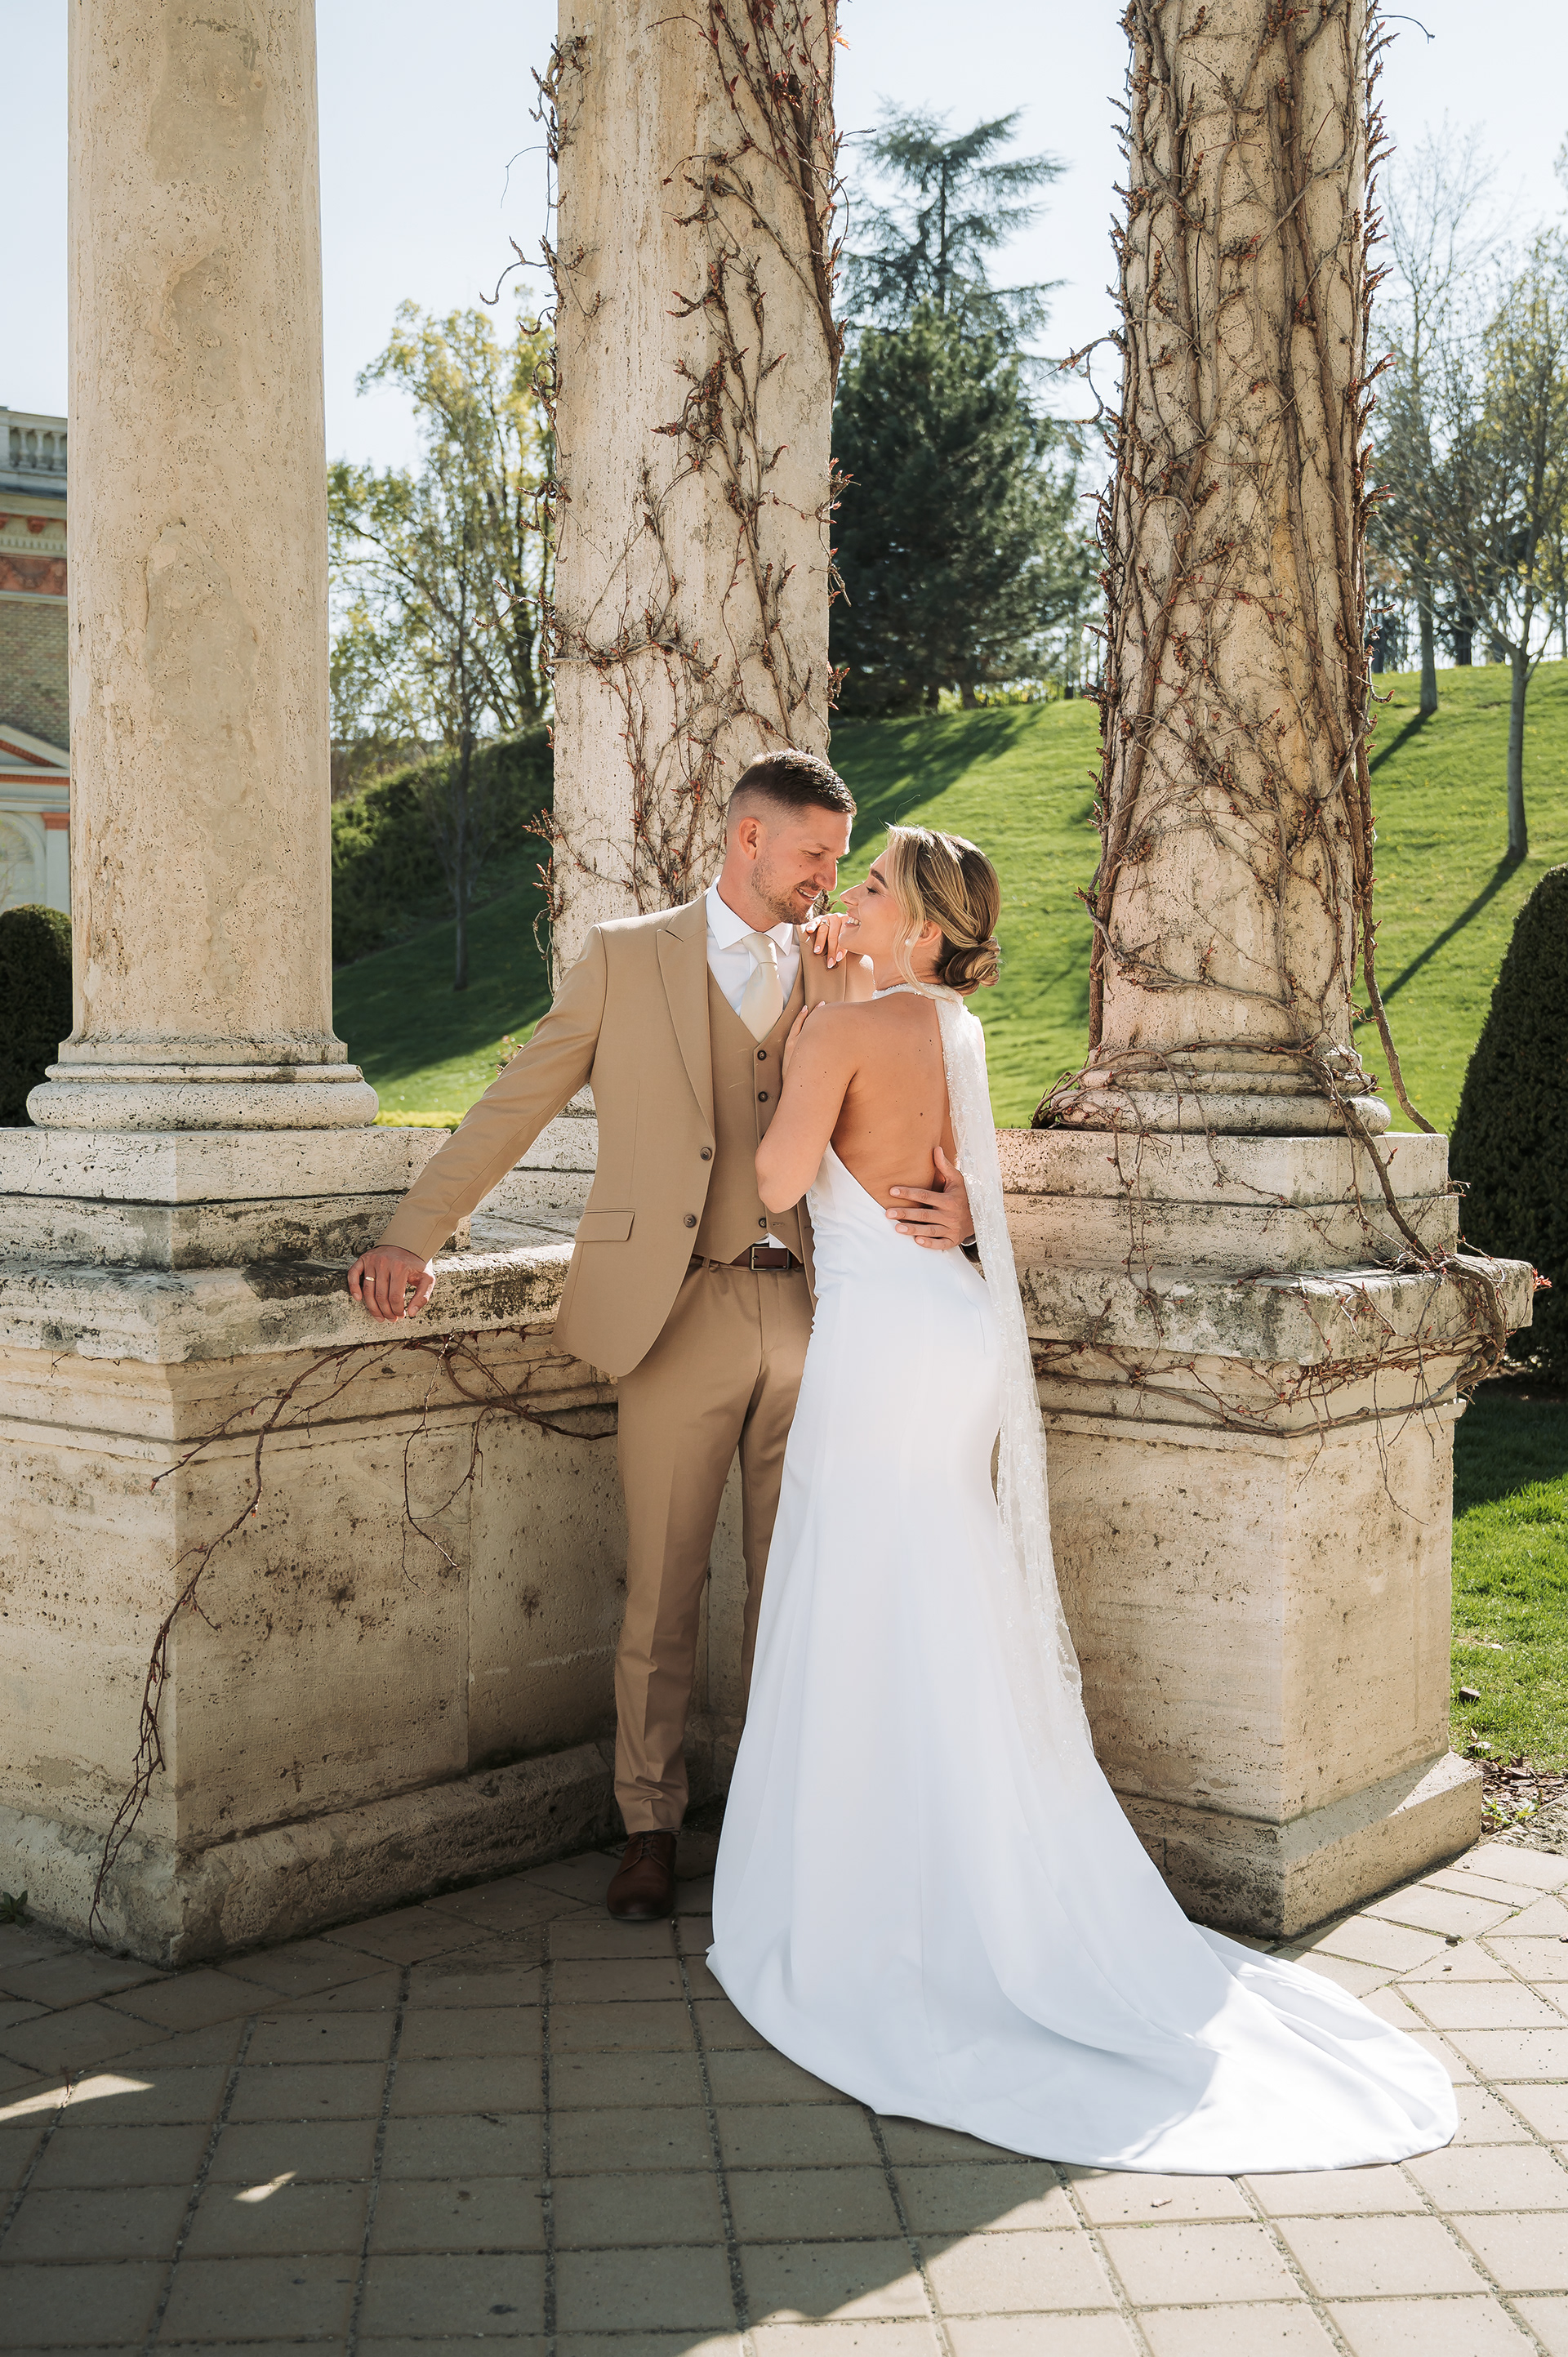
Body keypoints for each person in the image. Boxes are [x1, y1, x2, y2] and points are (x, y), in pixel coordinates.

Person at [706, 823, 1455, 2172]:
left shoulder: (845, 1024)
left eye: (872, 884)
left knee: (861, 1596)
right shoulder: (953, 1027)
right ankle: (984, 1879)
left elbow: (776, 1181)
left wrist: (815, 1016)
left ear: (921, 927)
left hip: (880, 1354)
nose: (848, 896)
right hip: (949, 1331)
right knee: (941, 1595)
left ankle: (868, 1908)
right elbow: (959, 1194)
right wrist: (948, 1203)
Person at [348, 751, 975, 1923]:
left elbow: (928, 1103)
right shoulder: (626, 956)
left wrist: (970, 1209)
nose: (828, 879)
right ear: (749, 838)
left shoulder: (847, 967)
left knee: (802, 1587)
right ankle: (649, 1826)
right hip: (675, 1308)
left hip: (824, 1313)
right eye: (814, 855)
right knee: (664, 1591)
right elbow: (517, 1100)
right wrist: (412, 1235)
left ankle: (792, 1830)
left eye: (843, 862)